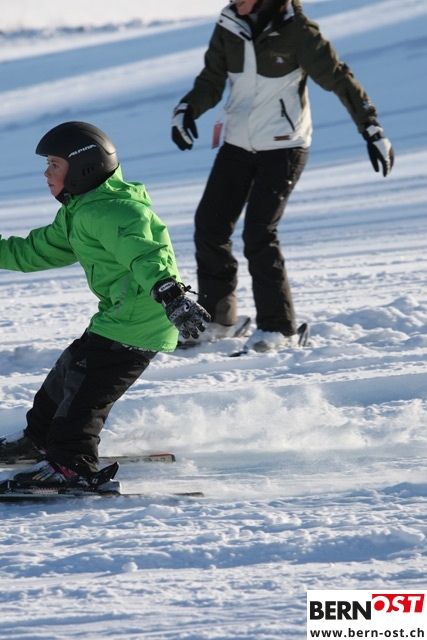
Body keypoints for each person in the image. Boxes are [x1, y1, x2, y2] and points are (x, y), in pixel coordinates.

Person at [171, 0, 394, 352]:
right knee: (210, 226)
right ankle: (219, 319)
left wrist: (371, 127)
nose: (235, 1)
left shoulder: (298, 32)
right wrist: (188, 108)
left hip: (284, 146)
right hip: (238, 143)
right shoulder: (229, 25)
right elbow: (212, 79)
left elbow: (339, 78)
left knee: (259, 233)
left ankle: (278, 329)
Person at [0, 121, 210, 489]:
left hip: (141, 318)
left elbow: (147, 255)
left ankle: (70, 464)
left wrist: (171, 295)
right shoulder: (80, 211)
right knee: (66, 374)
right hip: (117, 317)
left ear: (83, 168)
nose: (46, 173)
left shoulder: (116, 212)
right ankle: (39, 440)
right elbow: (34, 251)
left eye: (54, 164)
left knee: (85, 393)